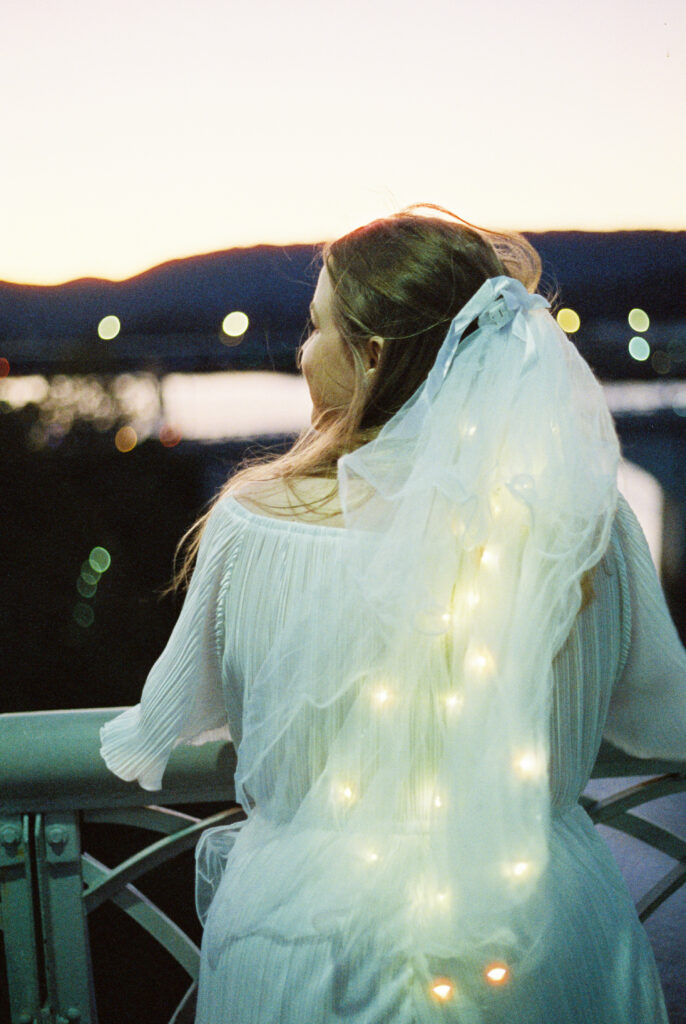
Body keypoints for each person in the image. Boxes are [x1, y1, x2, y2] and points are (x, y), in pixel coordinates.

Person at [100, 206, 686, 1023]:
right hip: (534, 933)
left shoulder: (251, 528)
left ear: (370, 357)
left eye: (315, 330)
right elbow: (664, 718)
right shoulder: (585, 531)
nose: (302, 355)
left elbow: (176, 718)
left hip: (310, 946)